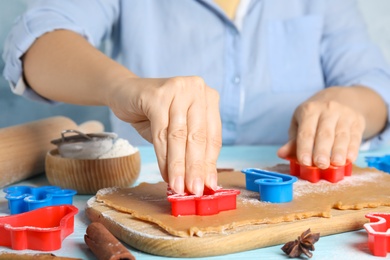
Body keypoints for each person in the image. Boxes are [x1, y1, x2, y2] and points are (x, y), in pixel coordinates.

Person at [3, 0, 390, 196]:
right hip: (152, 188)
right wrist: (122, 86)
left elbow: (375, 84)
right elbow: (37, 40)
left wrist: (351, 103)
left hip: (302, 191)